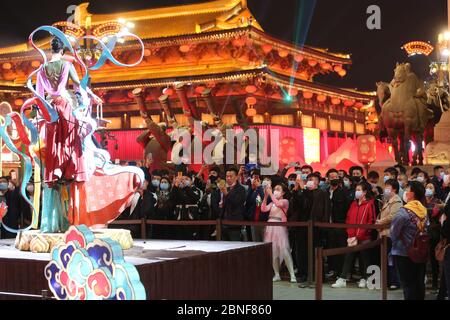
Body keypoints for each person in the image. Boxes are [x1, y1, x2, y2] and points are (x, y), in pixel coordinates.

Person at [332, 181, 377, 289]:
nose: (356, 192)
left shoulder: (370, 204)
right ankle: (342, 278)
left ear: (365, 192)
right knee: (348, 257)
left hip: (364, 236)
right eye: (356, 190)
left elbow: (371, 220)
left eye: (359, 190)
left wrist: (362, 233)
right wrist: (350, 233)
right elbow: (348, 219)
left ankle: (364, 278)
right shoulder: (353, 204)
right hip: (352, 236)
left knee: (364, 258)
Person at [390, 181, 428, 300]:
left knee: (408, 284)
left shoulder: (403, 212)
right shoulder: (423, 210)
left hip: (403, 253)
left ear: (412, 194)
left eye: (407, 189)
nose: (405, 192)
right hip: (421, 251)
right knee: (419, 283)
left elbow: (394, 233)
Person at [262, 183, 296, 283]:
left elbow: (278, 204)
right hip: (270, 226)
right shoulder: (272, 202)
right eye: (274, 189)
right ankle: (277, 274)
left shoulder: (285, 201)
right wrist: (265, 196)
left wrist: (271, 195)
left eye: (278, 189)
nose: (275, 191)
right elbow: (263, 209)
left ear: (283, 192)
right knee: (273, 252)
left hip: (279, 226)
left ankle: (292, 274)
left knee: (284, 251)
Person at [376, 179, 403, 289]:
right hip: (383, 233)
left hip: (390, 234)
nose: (385, 189)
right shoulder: (387, 200)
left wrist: (380, 222)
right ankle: (387, 281)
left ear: (394, 189)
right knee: (385, 259)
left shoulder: (397, 201)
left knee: (391, 259)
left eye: (388, 187)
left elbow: (393, 216)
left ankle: (394, 281)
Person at [326, 169, 352, 279]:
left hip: (340, 225)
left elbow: (347, 209)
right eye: (331, 177)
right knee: (331, 248)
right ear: (327, 179)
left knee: (341, 249)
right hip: (328, 225)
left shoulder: (344, 192)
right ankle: (333, 270)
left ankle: (342, 273)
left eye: (336, 176)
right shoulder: (325, 192)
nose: (334, 178)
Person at [425, 182, 444, 291]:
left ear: (434, 191)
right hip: (422, 232)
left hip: (434, 233)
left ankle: (435, 283)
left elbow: (434, 215)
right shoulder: (421, 201)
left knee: (433, 259)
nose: (428, 189)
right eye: (427, 187)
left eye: (431, 187)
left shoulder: (438, 202)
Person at [172, 172, 202, 240]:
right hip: (179, 218)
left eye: (186, 179)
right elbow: (172, 199)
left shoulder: (195, 190)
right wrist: (175, 185)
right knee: (179, 238)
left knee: (192, 240)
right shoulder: (177, 190)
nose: (184, 180)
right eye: (182, 179)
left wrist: (186, 187)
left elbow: (195, 198)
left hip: (191, 218)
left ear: (191, 181)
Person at [221, 167, 246, 241]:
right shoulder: (227, 188)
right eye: (227, 176)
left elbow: (236, 203)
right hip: (224, 223)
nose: (228, 178)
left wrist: (226, 194)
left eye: (230, 176)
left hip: (234, 224)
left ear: (236, 177)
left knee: (235, 246)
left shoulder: (241, 189)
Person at [245, 169, 268, 242]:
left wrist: (259, 187)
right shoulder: (252, 190)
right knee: (255, 242)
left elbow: (265, 200)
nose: (255, 180)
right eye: (253, 178)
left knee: (265, 243)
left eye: (257, 178)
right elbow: (248, 201)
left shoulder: (265, 189)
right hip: (254, 220)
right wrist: (251, 189)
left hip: (264, 221)